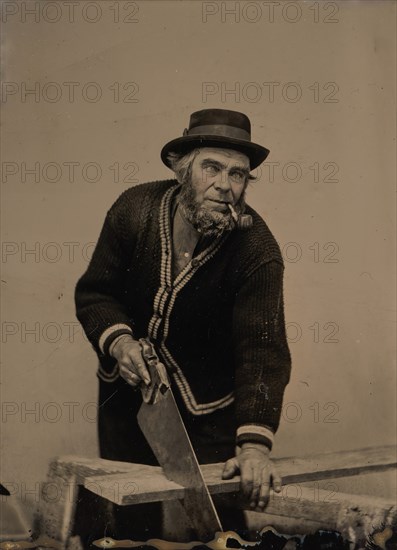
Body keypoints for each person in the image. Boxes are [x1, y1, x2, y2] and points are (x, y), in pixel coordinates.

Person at [74, 108, 291, 541]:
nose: (224, 186)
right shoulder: (133, 210)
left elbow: (262, 352)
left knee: (220, 523)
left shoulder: (257, 251)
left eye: (238, 174)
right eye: (211, 167)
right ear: (181, 168)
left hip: (210, 404)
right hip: (129, 395)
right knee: (127, 514)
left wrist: (252, 448)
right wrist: (119, 344)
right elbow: (96, 293)